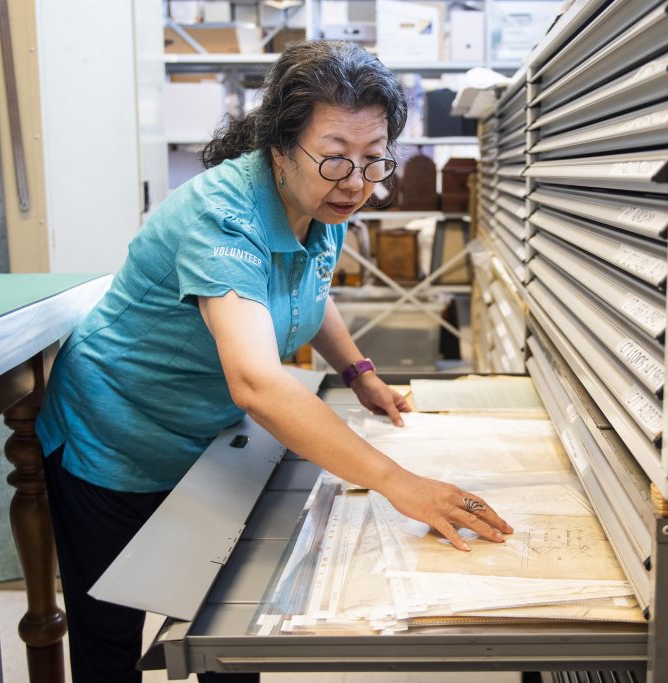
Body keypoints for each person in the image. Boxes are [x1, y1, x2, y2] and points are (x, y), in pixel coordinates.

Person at [35, 40, 512, 683]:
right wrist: (400, 483)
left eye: (375, 161)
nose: (356, 182)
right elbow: (258, 382)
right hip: (115, 428)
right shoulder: (222, 218)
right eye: (336, 159)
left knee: (226, 631)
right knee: (111, 639)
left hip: (206, 437)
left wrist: (359, 373)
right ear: (280, 147)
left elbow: (309, 289)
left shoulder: (325, 199)